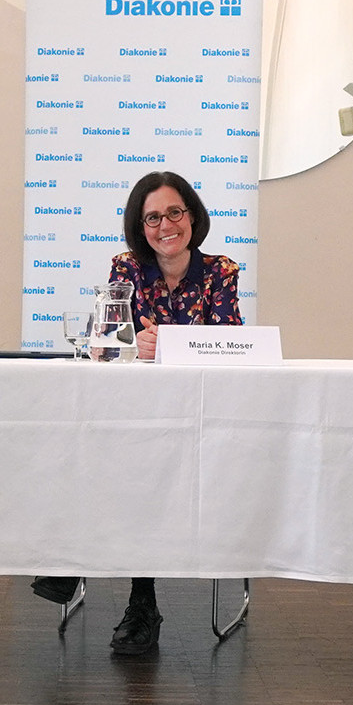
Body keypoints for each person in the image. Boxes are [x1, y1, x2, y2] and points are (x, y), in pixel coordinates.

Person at [31, 171, 242, 654]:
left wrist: (164, 343)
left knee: (142, 463)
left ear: (192, 216)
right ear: (139, 227)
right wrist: (123, 341)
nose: (166, 225)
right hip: (137, 414)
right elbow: (107, 343)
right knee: (105, 448)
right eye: (153, 218)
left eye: (174, 212)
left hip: (198, 417)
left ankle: (99, 576)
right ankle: (112, 581)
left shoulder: (220, 272)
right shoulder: (125, 268)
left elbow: (229, 345)